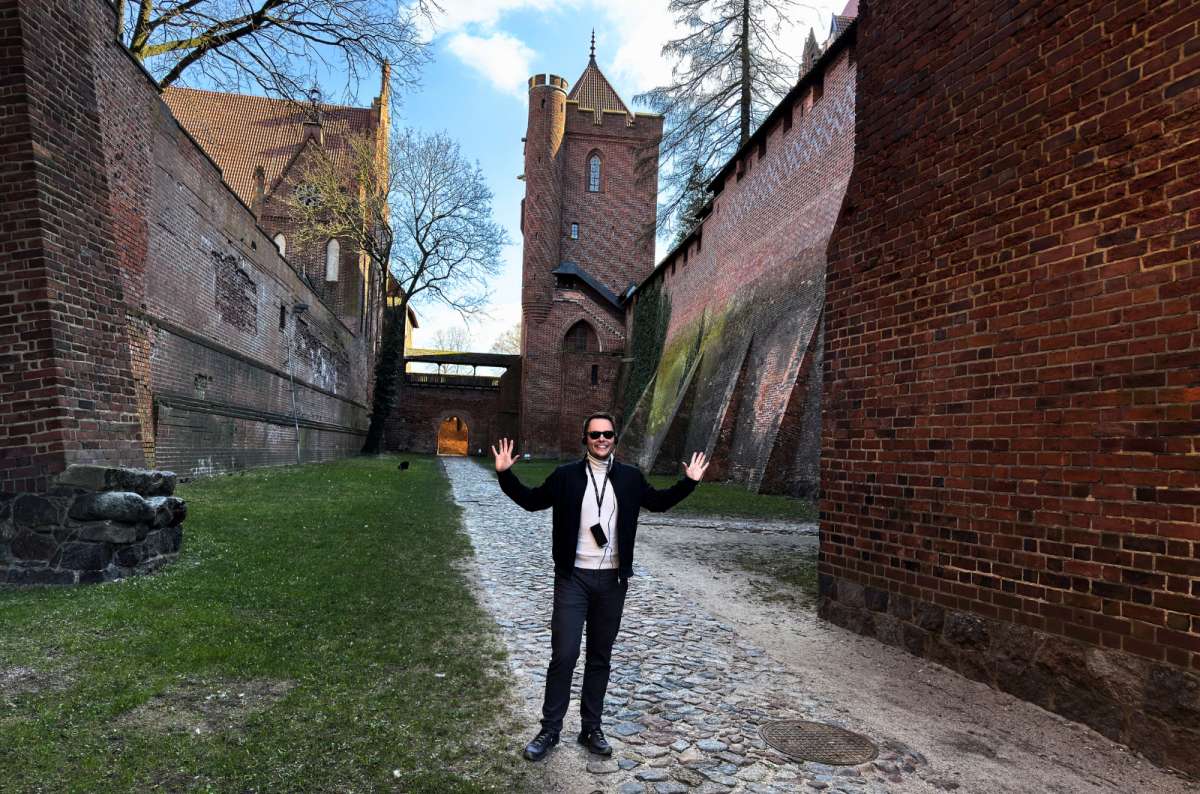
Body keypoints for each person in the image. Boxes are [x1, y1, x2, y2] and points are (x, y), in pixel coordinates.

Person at [490, 412, 710, 762]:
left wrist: (690, 482)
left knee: (599, 657)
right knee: (564, 654)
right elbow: (532, 501)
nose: (601, 439)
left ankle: (591, 727)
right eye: (595, 435)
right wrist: (504, 474)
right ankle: (550, 729)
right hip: (573, 578)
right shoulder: (566, 477)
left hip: (612, 580)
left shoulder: (630, 478)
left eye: (607, 434)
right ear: (585, 439)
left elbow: (659, 502)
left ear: (615, 439)